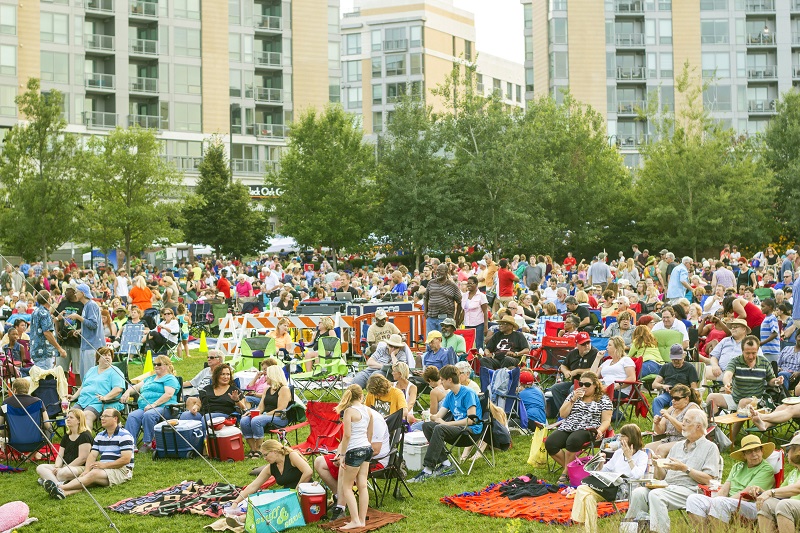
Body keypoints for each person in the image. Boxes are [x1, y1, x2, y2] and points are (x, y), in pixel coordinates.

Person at [626, 410, 721, 533]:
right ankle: (631, 530)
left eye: (687, 421)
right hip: (668, 486)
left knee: (656, 495)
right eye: (683, 420)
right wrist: (658, 465)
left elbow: (709, 479)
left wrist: (684, 468)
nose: (683, 424)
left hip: (692, 490)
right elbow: (661, 478)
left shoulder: (710, 447)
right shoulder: (677, 446)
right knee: (638, 493)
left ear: (698, 426)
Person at [316, 406, 390, 522]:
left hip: (375, 459)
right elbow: (345, 439)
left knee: (344, 468)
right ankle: (338, 497)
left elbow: (374, 449)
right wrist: (339, 455)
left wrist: (346, 458)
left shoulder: (374, 419)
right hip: (354, 452)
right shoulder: (354, 413)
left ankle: (341, 508)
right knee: (319, 462)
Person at [410, 365, 481, 483]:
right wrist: (429, 417)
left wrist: (447, 424)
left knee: (440, 428)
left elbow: (471, 420)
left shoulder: (468, 393)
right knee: (427, 425)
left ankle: (428, 469)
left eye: (442, 380)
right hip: (457, 429)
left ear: (449, 380)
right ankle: (446, 463)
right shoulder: (450, 395)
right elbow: (439, 416)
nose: (441, 382)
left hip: (470, 431)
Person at [571, 424, 648, 533]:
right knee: (588, 497)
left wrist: (630, 458)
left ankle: (577, 522)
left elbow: (637, 476)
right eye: (620, 436)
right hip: (610, 486)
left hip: (625, 489)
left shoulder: (642, 455)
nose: (620, 439)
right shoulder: (618, 453)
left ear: (632, 437)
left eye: (623, 436)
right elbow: (605, 471)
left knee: (582, 489)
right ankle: (591, 530)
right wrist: (601, 463)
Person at [43, 408, 134, 499]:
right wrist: (86, 470)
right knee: (88, 479)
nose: (102, 418)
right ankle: (64, 493)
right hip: (103, 470)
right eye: (102, 416)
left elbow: (126, 459)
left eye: (106, 416)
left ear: (115, 419)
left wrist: (105, 466)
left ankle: (60, 487)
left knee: (93, 474)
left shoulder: (124, 435)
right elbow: (92, 455)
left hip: (121, 470)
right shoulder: (100, 435)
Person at [685, 434, 775, 526]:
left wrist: (721, 502)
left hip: (751, 505)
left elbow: (747, 494)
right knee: (693, 499)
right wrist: (715, 501)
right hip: (729, 502)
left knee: (719, 503)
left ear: (762, 451)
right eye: (749, 451)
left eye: (757, 450)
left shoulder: (766, 469)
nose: (754, 454)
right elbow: (725, 489)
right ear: (744, 455)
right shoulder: (738, 466)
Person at [707, 335, 783, 442]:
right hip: (735, 397)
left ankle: (730, 440)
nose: (751, 356)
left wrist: (776, 381)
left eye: (754, 353)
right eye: (748, 353)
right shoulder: (735, 361)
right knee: (711, 397)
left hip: (757, 400)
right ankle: (710, 432)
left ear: (757, 351)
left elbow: (771, 380)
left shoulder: (764, 362)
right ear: (742, 351)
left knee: (743, 403)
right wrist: (727, 383)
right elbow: (728, 374)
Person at [545, 371, 612, 485]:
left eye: (587, 385)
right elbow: (562, 414)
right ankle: (572, 469)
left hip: (589, 428)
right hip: (569, 425)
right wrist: (573, 399)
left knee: (573, 440)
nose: (583, 387)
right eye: (581, 384)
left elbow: (606, 420)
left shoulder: (603, 399)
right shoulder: (574, 395)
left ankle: (565, 473)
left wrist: (600, 431)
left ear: (595, 385)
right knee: (550, 443)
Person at [331, 384, 373, 530]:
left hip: (354, 450)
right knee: (362, 485)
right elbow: (370, 433)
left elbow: (347, 435)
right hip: (367, 448)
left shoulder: (349, 411)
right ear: (361, 396)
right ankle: (362, 520)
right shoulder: (368, 410)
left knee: (347, 486)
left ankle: (355, 520)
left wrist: (342, 454)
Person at [121, 355, 180, 455]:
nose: (156, 366)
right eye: (154, 364)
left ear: (167, 366)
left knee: (149, 415)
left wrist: (154, 404)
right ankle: (129, 443)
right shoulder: (150, 378)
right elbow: (135, 387)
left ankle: (148, 442)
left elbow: (168, 394)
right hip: (144, 408)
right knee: (132, 416)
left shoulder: (170, 378)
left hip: (164, 407)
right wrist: (127, 392)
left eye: (159, 364)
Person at [232, 441, 312, 507]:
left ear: (275, 451)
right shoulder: (271, 467)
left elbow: (308, 472)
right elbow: (253, 486)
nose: (264, 458)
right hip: (289, 495)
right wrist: (236, 502)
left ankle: (240, 520)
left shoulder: (291, 456)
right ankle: (239, 519)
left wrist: (297, 490)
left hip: (306, 493)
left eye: (266, 455)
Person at [546, 332, 602, 414]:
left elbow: (595, 370)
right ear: (577, 344)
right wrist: (566, 372)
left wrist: (577, 371)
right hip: (574, 382)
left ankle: (575, 413)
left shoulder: (595, 353)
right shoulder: (573, 353)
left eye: (588, 342)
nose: (587, 345)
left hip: (588, 385)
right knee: (556, 388)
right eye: (583, 344)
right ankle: (564, 412)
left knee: (573, 389)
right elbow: (563, 366)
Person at [241, 366, 292, 457]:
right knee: (244, 420)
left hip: (279, 417)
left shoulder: (284, 389)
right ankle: (253, 449)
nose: (265, 377)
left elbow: (280, 409)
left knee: (257, 420)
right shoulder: (267, 389)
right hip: (266, 416)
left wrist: (262, 415)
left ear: (273, 376)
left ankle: (259, 449)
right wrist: (252, 412)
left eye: (267, 375)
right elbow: (260, 407)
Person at [68, 347, 126, 427]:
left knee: (86, 415)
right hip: (83, 401)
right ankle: (73, 438)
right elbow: (82, 387)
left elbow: (118, 389)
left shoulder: (115, 371)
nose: (107, 357)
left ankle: (86, 439)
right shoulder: (92, 370)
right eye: (104, 355)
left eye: (109, 355)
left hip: (99, 402)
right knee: (71, 416)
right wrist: (73, 397)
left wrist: (105, 397)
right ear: (98, 359)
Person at [36, 408, 93, 487]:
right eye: (67, 417)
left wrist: (64, 468)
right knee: (40, 467)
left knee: (64, 472)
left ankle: (49, 479)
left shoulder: (85, 435)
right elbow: (60, 455)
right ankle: (58, 484)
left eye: (71, 417)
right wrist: (57, 467)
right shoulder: (66, 436)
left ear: (79, 420)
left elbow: (82, 458)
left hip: (80, 467)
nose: (68, 419)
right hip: (65, 466)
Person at [756, 433, 800, 533]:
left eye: (789, 449)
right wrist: (762, 493)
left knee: (785, 505)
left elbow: (797, 488)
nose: (786, 453)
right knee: (765, 503)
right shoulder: (794, 473)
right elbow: (779, 494)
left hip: (791, 507)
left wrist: (770, 492)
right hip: (794, 507)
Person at [646, 384, 702, 458]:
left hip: (686, 441)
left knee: (661, 449)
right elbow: (660, 432)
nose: (673, 401)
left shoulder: (692, 407)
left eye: (677, 398)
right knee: (647, 448)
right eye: (672, 398)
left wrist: (669, 417)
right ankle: (647, 469)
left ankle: (661, 469)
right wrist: (657, 423)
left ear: (686, 399)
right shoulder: (672, 408)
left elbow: (685, 430)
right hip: (669, 439)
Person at [650, 344, 700, 416]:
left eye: (678, 359)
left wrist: (683, 392)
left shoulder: (690, 368)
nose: (676, 361)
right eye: (674, 359)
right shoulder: (666, 367)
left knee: (675, 402)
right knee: (657, 400)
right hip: (668, 394)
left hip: (681, 396)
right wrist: (663, 386)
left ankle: (672, 423)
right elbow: (654, 385)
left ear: (683, 356)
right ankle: (659, 423)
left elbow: (694, 388)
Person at [69, 283, 104, 378]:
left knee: (90, 376)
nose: (75, 294)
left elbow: (93, 324)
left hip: (92, 346)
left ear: (83, 293)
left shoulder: (91, 305)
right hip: (86, 345)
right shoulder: (86, 306)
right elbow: (88, 323)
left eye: (76, 292)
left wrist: (78, 317)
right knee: (84, 375)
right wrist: (80, 330)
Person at [29, 290, 67, 370]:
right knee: (45, 379)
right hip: (44, 352)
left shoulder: (36, 311)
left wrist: (56, 318)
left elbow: (44, 325)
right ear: (48, 299)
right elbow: (47, 333)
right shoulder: (45, 313)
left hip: (36, 350)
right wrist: (59, 349)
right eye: (50, 297)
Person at [55, 287, 83, 383]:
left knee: (78, 370)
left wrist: (79, 330)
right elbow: (56, 317)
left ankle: (77, 393)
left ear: (74, 292)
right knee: (62, 370)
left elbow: (85, 322)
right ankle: (63, 393)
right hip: (63, 341)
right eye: (65, 291)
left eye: (68, 291)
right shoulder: (63, 303)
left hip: (77, 341)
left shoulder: (81, 305)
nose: (65, 293)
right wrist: (57, 330)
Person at [423, 264, 462, 334]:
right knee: (431, 341)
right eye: (437, 270)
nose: (438, 272)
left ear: (446, 272)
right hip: (431, 318)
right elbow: (426, 298)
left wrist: (456, 318)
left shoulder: (452, 285)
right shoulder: (431, 283)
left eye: (440, 271)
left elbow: (460, 302)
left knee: (444, 342)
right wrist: (425, 312)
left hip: (446, 319)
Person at [462, 275, 489, 349]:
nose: (469, 285)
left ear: (476, 284)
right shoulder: (464, 296)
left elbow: (485, 311)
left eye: (471, 283)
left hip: (478, 324)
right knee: (468, 344)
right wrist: (459, 322)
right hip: (467, 324)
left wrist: (485, 326)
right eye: (468, 283)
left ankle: (479, 359)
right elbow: (464, 311)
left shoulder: (481, 296)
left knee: (478, 345)